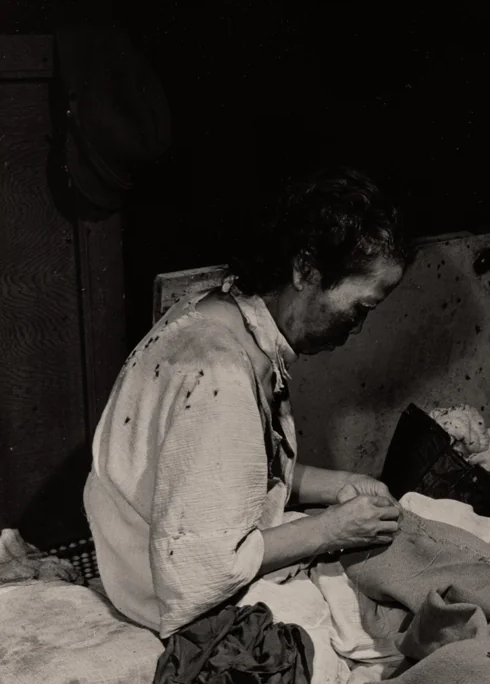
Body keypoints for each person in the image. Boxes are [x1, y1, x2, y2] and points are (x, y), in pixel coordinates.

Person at [84, 168, 413, 637]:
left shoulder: (213, 311)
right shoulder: (222, 375)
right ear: (305, 270)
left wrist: (342, 484)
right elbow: (201, 573)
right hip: (159, 592)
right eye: (359, 308)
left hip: (142, 557)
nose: (356, 328)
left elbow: (230, 477)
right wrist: (332, 530)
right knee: (379, 619)